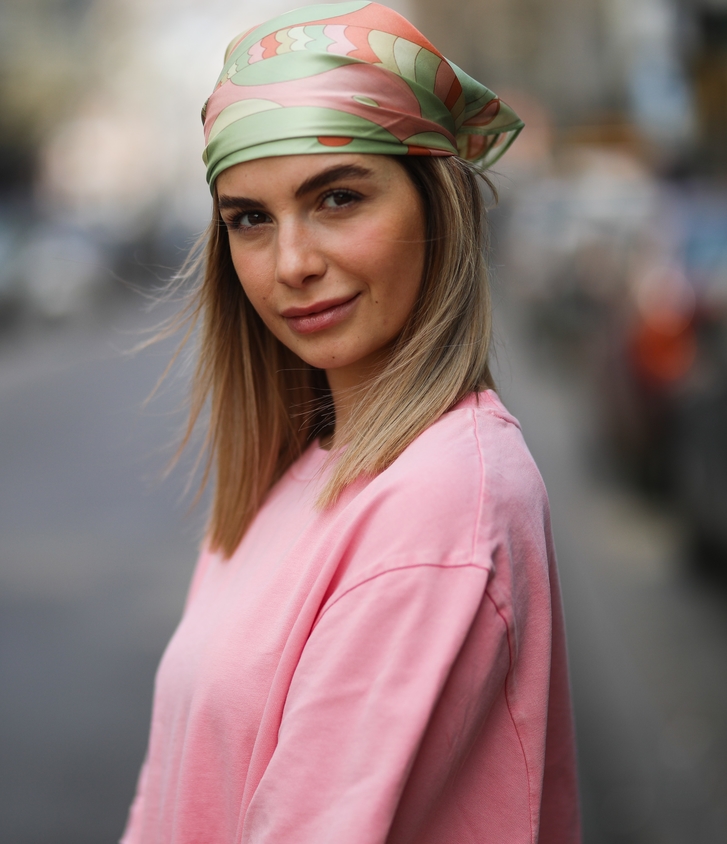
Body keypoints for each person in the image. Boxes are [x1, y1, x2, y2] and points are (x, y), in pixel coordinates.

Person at [121, 3, 580, 842]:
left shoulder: (440, 505)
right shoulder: (294, 473)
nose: (291, 263)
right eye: (250, 219)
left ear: (436, 204)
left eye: (336, 198)